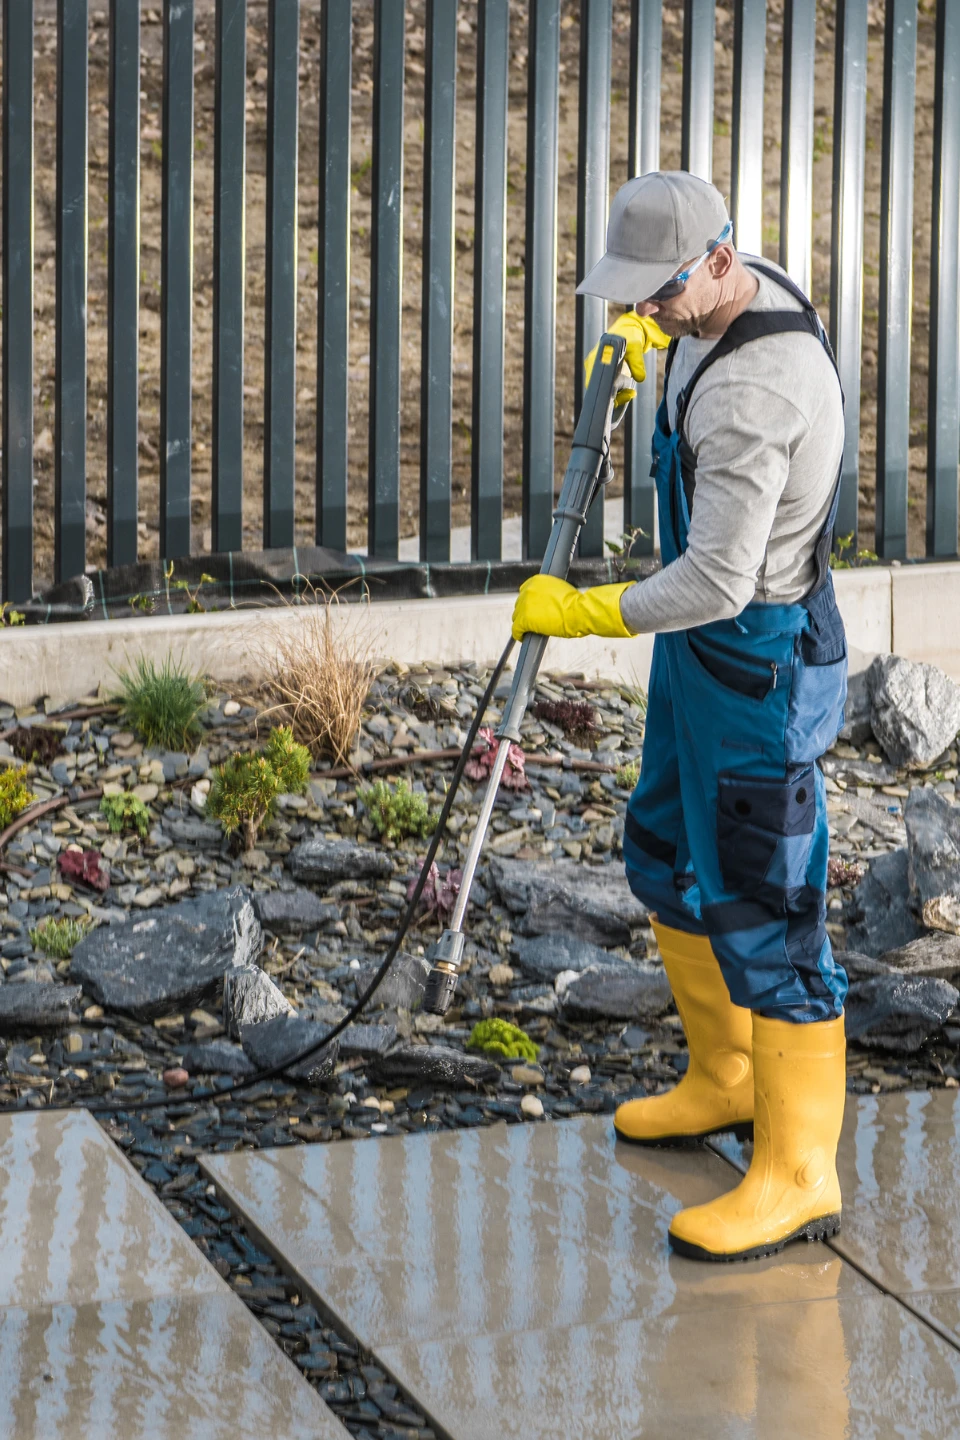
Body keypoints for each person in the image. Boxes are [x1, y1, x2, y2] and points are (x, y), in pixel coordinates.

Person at [512, 170, 848, 1263]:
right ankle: (726, 1075)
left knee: (768, 907)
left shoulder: (758, 393)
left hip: (753, 661)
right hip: (697, 665)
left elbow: (716, 581)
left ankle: (798, 1173)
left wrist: (587, 609)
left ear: (717, 260)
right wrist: (657, 360)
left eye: (655, 297)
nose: (641, 313)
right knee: (661, 850)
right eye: (631, 298)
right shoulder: (722, 301)